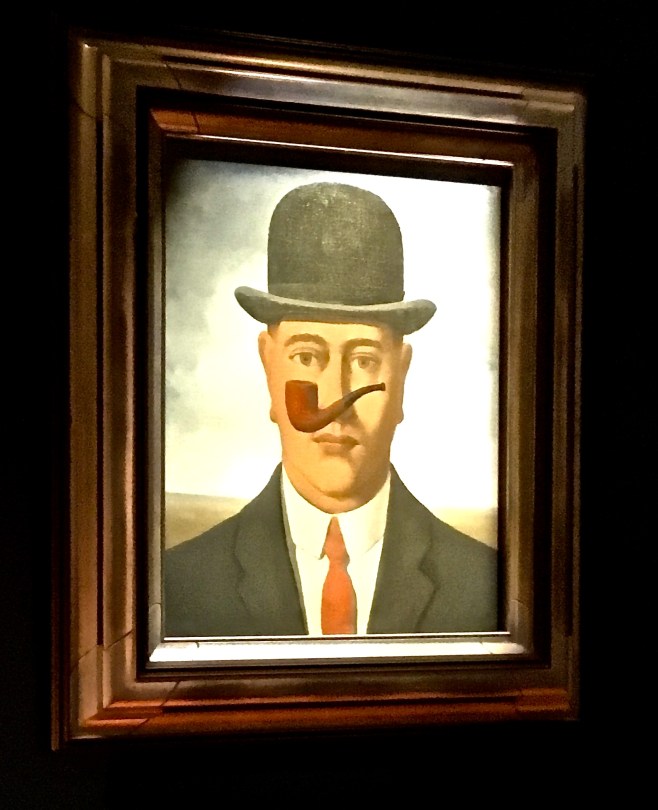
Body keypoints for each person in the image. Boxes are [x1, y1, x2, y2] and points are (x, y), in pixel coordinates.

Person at [164, 182, 498, 637]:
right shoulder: (179, 587)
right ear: (268, 367)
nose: (335, 402)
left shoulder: (484, 590)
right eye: (306, 357)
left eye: (363, 360)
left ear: (401, 377)